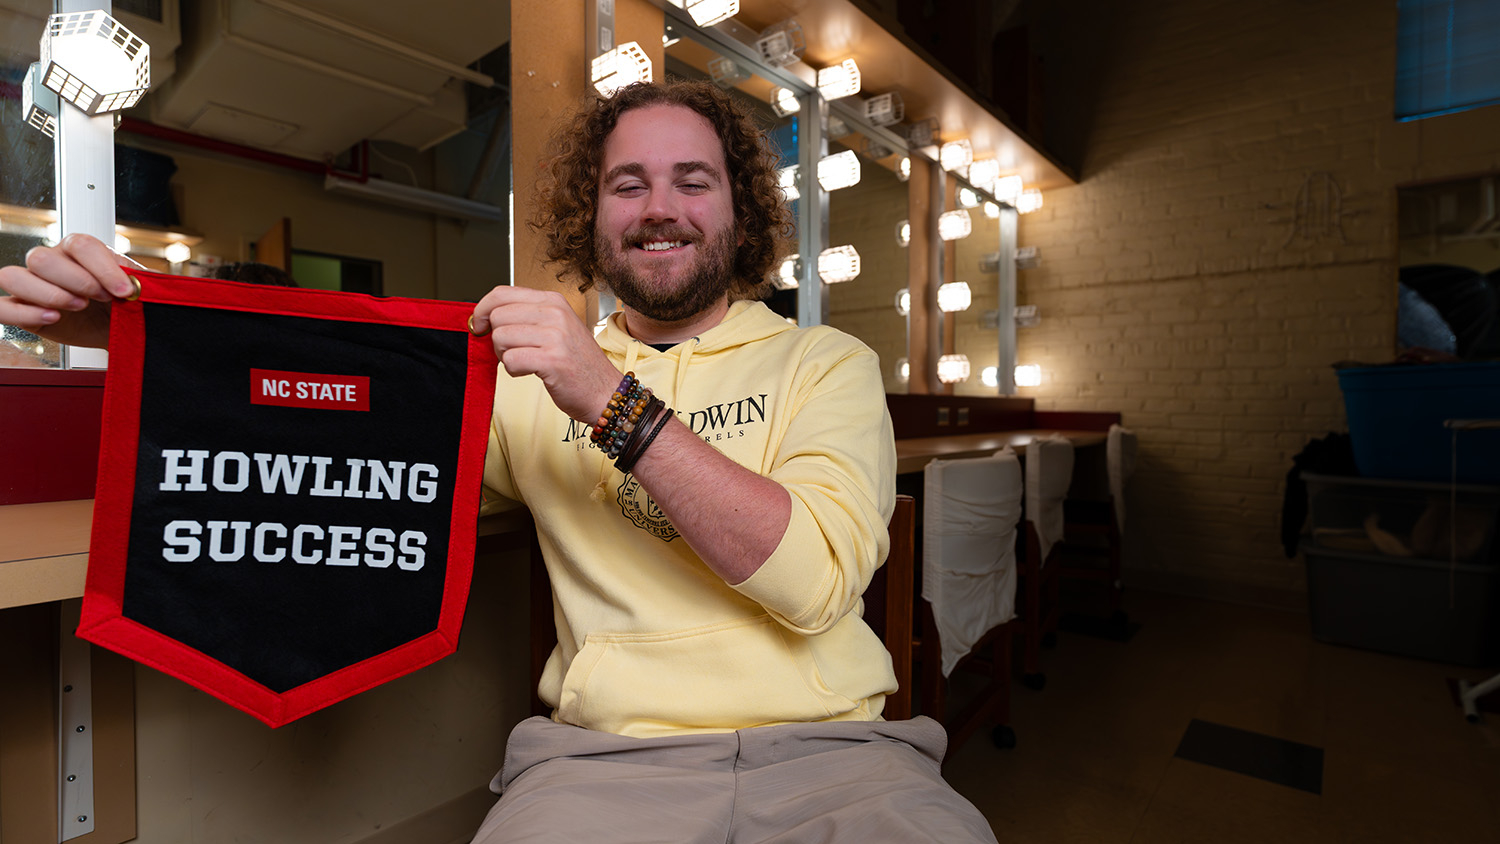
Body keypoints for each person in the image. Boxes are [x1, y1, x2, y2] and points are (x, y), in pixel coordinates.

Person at [0, 80, 998, 843]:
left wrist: (607, 398)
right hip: (601, 766)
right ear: (591, 216)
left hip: (839, 756)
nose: (660, 207)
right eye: (628, 184)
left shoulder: (824, 362)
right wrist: (150, 330)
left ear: (740, 211)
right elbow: (334, 440)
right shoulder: (525, 386)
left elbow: (815, 583)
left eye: (693, 181)